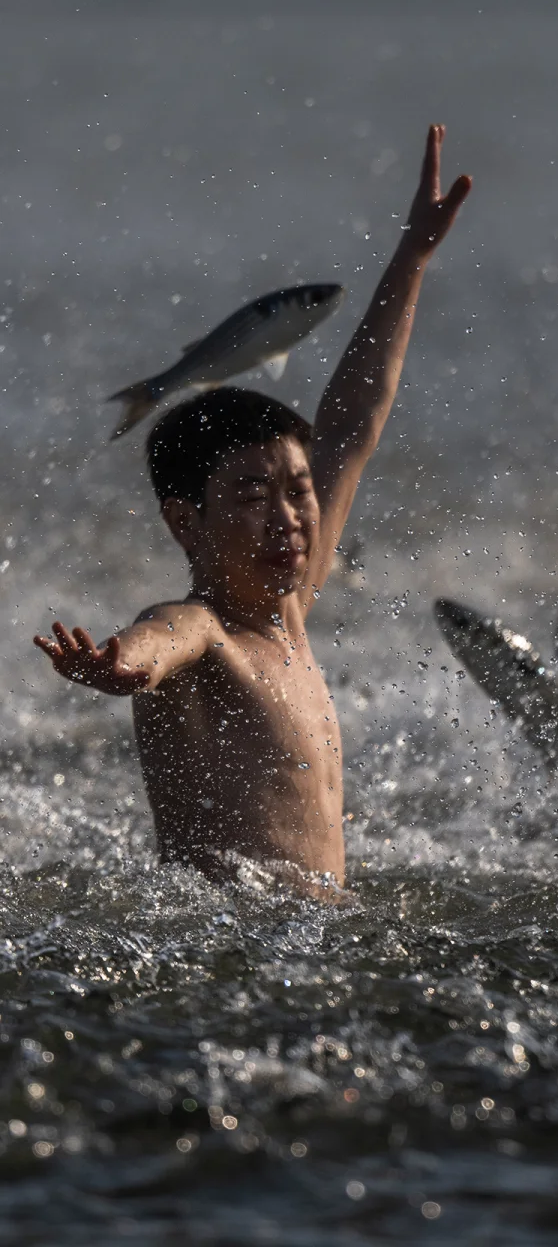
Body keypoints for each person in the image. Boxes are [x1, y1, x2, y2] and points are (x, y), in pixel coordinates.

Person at [34, 125, 471, 898]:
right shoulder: (209, 638)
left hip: (319, 945)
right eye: (250, 497)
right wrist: (121, 665)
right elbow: (161, 640)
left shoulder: (295, 602)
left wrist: (412, 260)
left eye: (298, 494)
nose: (289, 520)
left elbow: (353, 420)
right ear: (184, 522)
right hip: (243, 953)